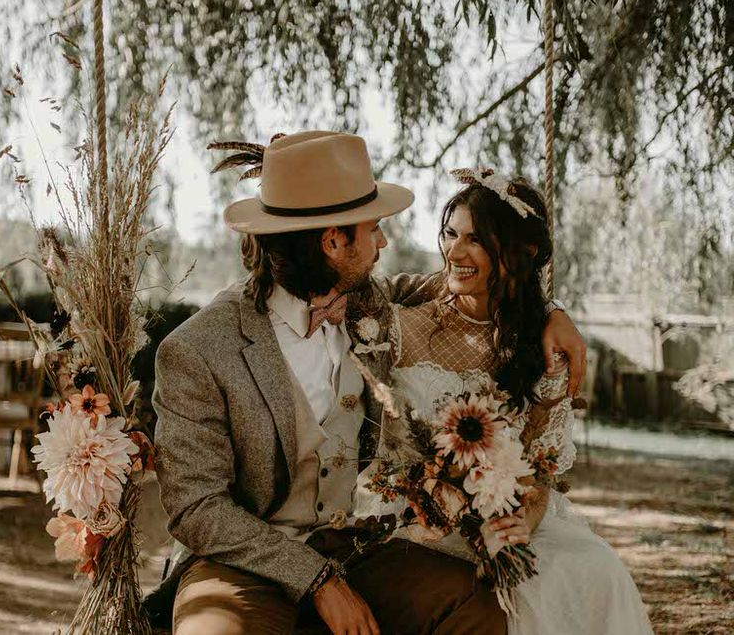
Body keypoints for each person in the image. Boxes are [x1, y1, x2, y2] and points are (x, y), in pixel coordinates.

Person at [150, 131, 587, 634]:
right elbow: (197, 508)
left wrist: (551, 313)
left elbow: (471, 283)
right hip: (243, 563)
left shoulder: (367, 301)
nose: (385, 243)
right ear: (333, 241)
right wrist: (317, 582)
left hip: (358, 545)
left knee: (478, 611)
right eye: (373, 229)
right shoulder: (200, 348)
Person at [354, 169, 654, 635]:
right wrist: (441, 500)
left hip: (512, 516)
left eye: (476, 240)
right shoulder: (402, 326)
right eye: (450, 234)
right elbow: (349, 292)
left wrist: (519, 524)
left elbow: (543, 466)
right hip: (417, 516)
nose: (455, 252)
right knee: (503, 593)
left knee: (596, 572)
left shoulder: (543, 349)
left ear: (523, 253)